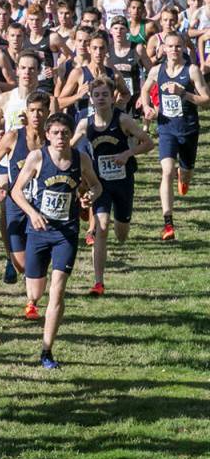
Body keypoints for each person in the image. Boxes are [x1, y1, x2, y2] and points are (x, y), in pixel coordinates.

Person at [11, 112, 101, 369]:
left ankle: (46, 350)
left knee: (58, 289)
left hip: (66, 233)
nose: (60, 137)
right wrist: (32, 213)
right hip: (38, 231)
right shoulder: (37, 157)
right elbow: (16, 191)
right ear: (47, 136)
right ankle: (31, 298)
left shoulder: (80, 159)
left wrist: (88, 197)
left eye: (65, 133)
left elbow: (96, 185)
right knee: (35, 291)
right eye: (55, 133)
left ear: (71, 135)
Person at [69, 77, 153, 295]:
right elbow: (68, 147)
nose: (101, 99)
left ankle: (122, 224)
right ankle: (98, 282)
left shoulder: (123, 120)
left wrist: (128, 153)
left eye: (105, 94)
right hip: (100, 183)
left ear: (112, 96)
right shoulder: (85, 124)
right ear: (91, 98)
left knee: (122, 231)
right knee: (102, 227)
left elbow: (148, 142)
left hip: (123, 181)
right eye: (96, 95)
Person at [138, 31, 210, 240]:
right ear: (164, 49)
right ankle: (168, 223)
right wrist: (148, 107)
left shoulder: (192, 71)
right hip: (166, 128)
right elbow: (144, 90)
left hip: (188, 129)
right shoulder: (157, 70)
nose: (174, 50)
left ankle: (184, 176)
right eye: (170, 46)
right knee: (167, 171)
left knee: (185, 173)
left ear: (184, 49)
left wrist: (184, 94)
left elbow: (207, 100)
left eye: (178, 46)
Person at [0, 90, 51, 287]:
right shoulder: (13, 136)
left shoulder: (52, 139)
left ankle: (35, 292)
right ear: (26, 112)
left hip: (42, 204)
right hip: (16, 203)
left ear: (48, 112)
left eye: (40, 111)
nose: (36, 115)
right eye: (32, 111)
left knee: (39, 255)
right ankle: (31, 275)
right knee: (20, 264)